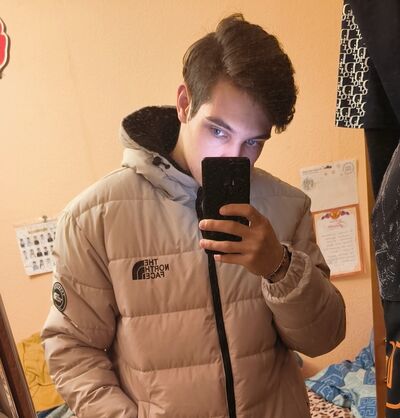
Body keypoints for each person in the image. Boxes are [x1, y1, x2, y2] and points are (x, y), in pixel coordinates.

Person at [42, 14, 346, 418]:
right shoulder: (93, 219)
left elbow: (323, 339)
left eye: (253, 142)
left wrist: (280, 268)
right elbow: (72, 350)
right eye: (218, 131)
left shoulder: (288, 206)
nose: (234, 156)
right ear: (185, 103)